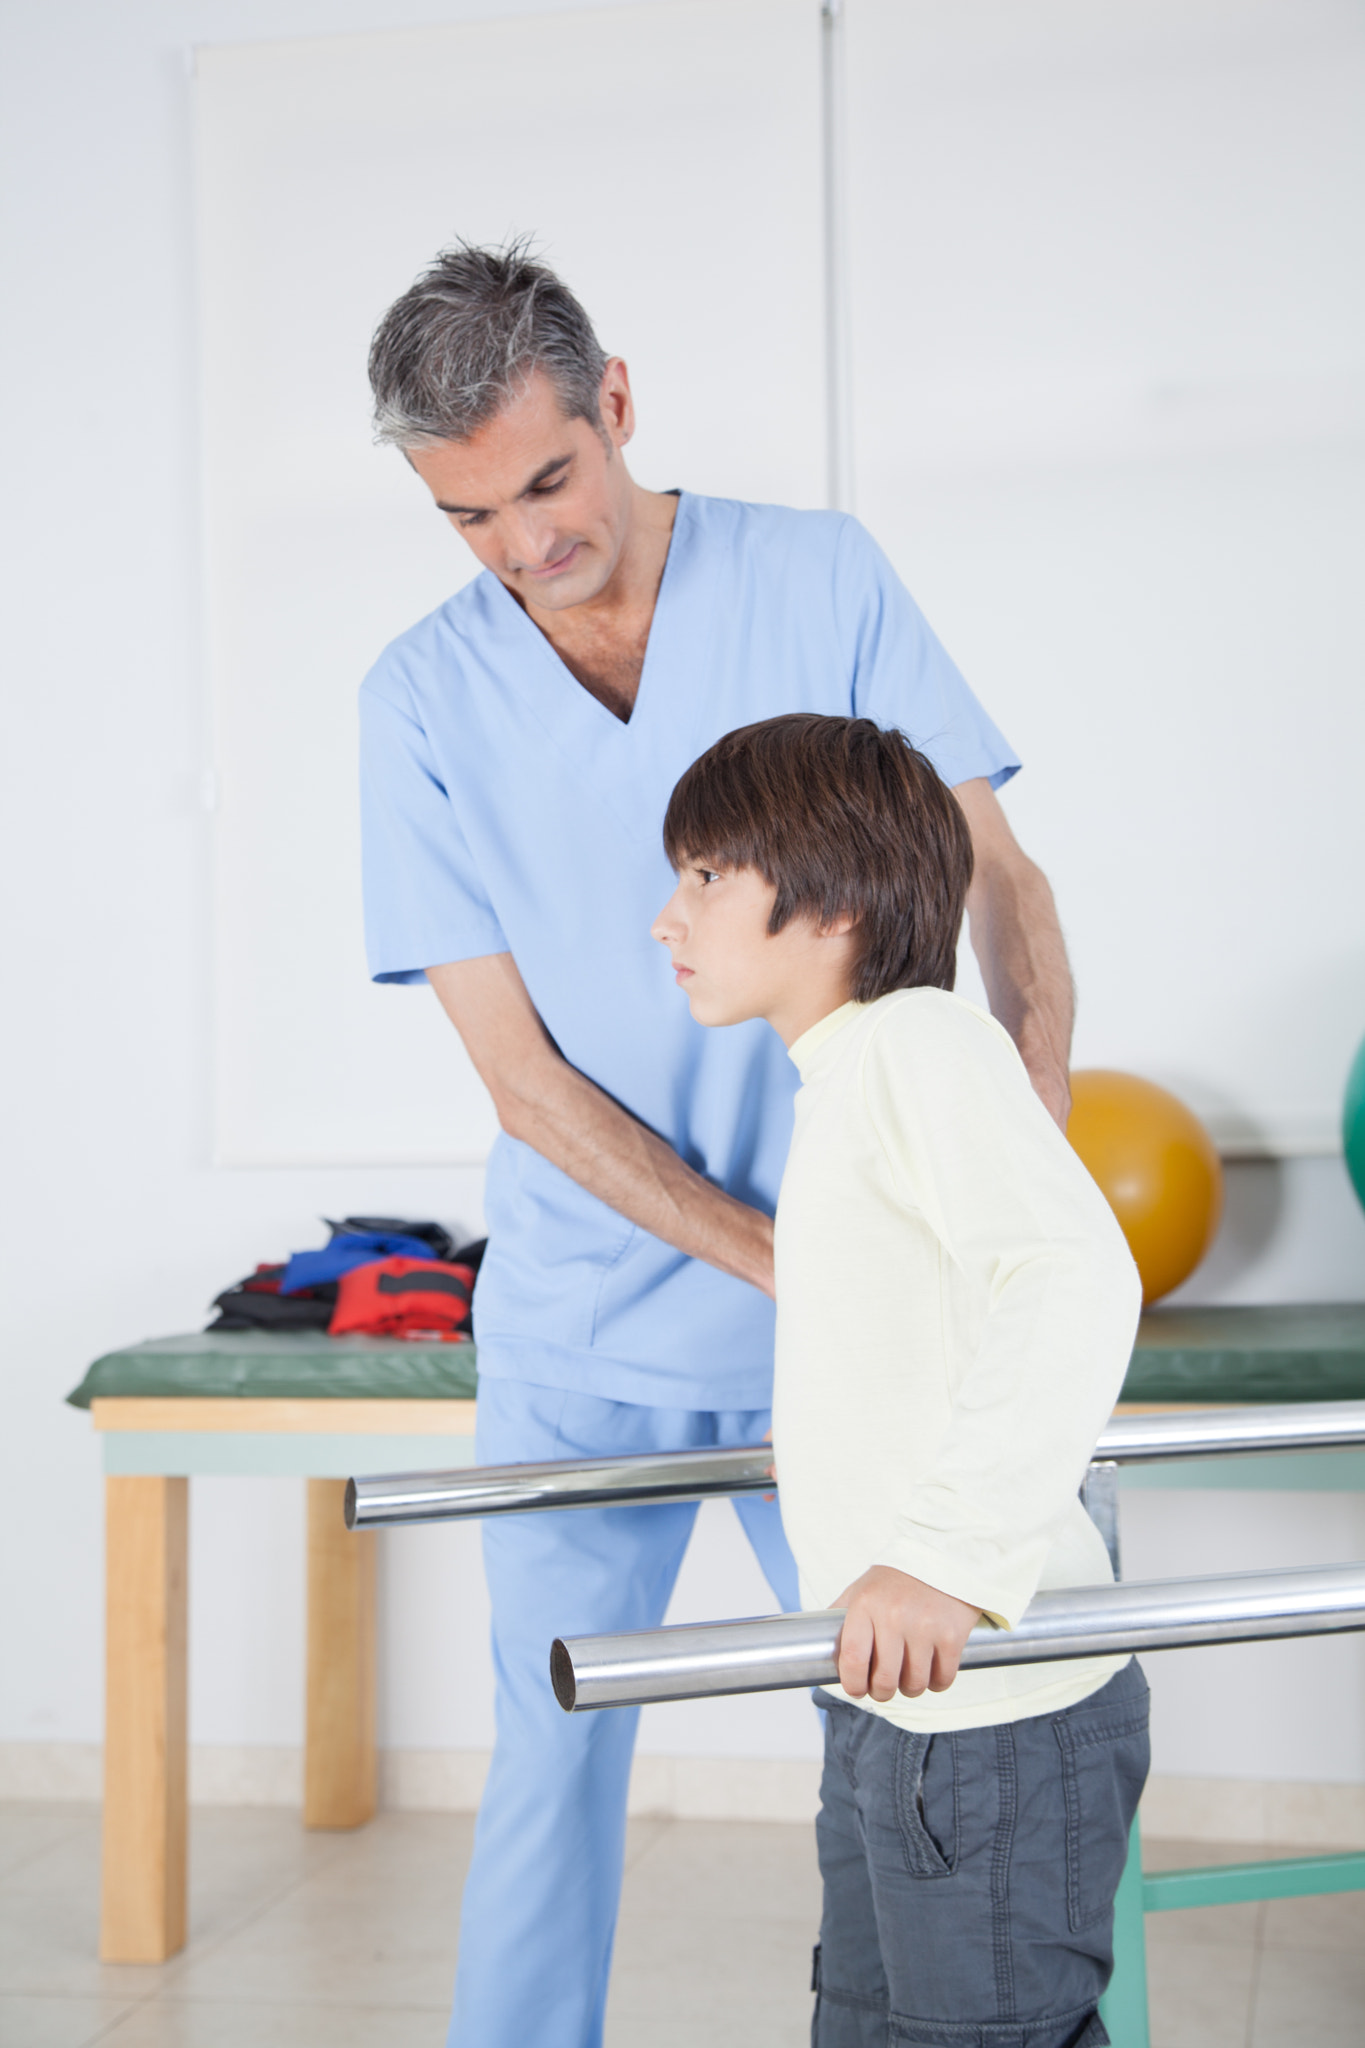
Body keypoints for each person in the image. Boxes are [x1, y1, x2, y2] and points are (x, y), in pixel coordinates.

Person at [360, 240, 1078, 2048]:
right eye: (469, 516)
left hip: (840, 1342)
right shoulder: (417, 700)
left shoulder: (813, 577)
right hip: (589, 1319)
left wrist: (1007, 1164)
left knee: (921, 1742)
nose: (528, 542)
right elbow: (518, 1080)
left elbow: (1003, 898)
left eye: (547, 478)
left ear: (615, 405)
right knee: (548, 1765)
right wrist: (803, 1260)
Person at [652, 714, 1148, 2047]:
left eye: (705, 876)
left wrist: (941, 1554)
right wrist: (820, 1434)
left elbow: (1072, 1277)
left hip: (988, 1711)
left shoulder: (919, 1045)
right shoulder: (848, 1077)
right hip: (890, 1693)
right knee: (864, 2020)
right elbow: (917, 1312)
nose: (667, 917)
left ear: (834, 898)